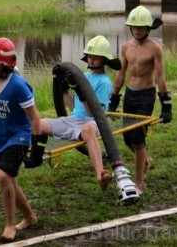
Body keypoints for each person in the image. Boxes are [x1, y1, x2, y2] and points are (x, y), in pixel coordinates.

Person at [0, 37, 44, 242]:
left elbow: (34, 118)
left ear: (7, 65)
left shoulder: (19, 86)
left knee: (3, 177)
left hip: (19, 136)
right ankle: (30, 217)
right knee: (9, 179)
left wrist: (37, 147)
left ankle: (10, 225)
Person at [35, 35, 119, 191]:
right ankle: (29, 157)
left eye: (96, 58)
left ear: (104, 60)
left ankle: (101, 174)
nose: (91, 60)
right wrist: (64, 91)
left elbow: (94, 114)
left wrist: (81, 92)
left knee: (87, 130)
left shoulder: (105, 82)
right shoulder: (84, 76)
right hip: (73, 120)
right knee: (38, 124)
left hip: (94, 123)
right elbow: (75, 108)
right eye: (90, 57)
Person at [110, 5, 172, 195]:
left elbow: (160, 77)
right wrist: (113, 98)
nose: (136, 31)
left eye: (140, 27)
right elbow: (121, 74)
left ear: (148, 28)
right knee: (127, 136)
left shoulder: (155, 49)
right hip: (130, 93)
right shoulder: (126, 46)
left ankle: (138, 182)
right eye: (133, 27)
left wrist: (166, 105)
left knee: (137, 136)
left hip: (146, 95)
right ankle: (145, 160)